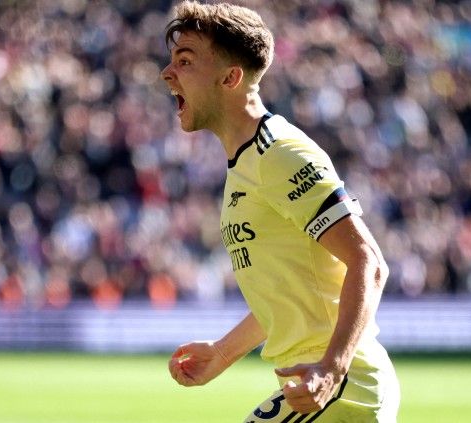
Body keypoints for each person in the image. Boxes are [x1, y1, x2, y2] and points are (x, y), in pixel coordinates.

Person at [160, 1, 400, 421]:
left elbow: (370, 262)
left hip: (342, 387)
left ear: (231, 78)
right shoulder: (245, 163)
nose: (167, 73)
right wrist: (221, 353)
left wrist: (332, 369)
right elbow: (286, 295)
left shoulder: (280, 154)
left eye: (185, 60)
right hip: (323, 385)